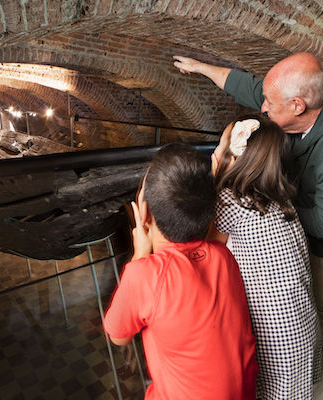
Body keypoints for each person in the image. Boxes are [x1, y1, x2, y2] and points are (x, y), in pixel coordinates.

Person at [174, 53, 323, 399]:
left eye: (270, 103)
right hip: (313, 227)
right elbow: (256, 90)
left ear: (298, 106)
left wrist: (261, 198)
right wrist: (204, 68)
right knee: (301, 315)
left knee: (320, 341)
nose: (263, 108)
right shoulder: (308, 99)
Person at [103, 143, 258, 399]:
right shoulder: (223, 256)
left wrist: (140, 255)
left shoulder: (146, 275)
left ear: (144, 212)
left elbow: (117, 336)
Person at [208, 114, 321, 399]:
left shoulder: (229, 199)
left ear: (234, 155)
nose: (215, 152)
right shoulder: (280, 198)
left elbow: (208, 249)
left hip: (272, 333)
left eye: (221, 145)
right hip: (301, 321)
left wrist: (214, 178)